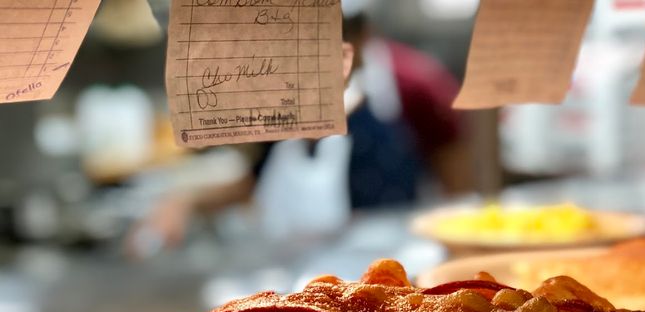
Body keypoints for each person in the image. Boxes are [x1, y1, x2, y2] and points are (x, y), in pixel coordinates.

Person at [127, 2, 472, 256]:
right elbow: (256, 178)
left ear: (361, 35)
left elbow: (458, 182)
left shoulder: (415, 85)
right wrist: (183, 201)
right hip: (294, 272)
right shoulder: (284, 88)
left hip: (394, 265)